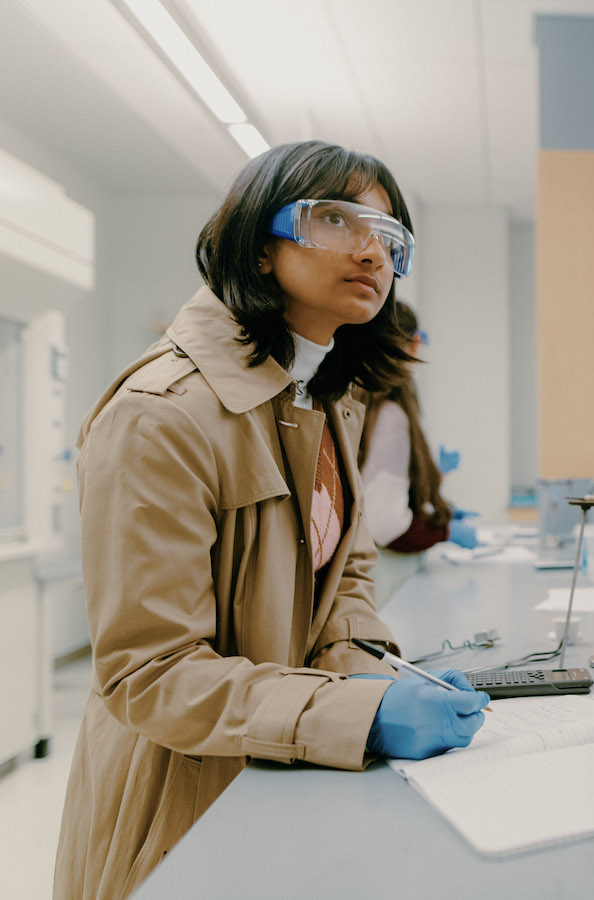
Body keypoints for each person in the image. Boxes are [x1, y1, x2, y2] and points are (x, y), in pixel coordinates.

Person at [53, 141, 489, 900]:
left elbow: (345, 574)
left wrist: (375, 672)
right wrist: (361, 715)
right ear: (259, 246)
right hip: (178, 802)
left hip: (284, 765)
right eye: (337, 219)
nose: (371, 250)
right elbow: (150, 676)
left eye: (390, 238)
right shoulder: (161, 416)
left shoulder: (325, 399)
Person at [358, 302, 478, 604]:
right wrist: (443, 531)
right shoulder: (389, 416)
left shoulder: (369, 405)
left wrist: (434, 510)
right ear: (412, 342)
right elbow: (386, 526)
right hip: (386, 584)